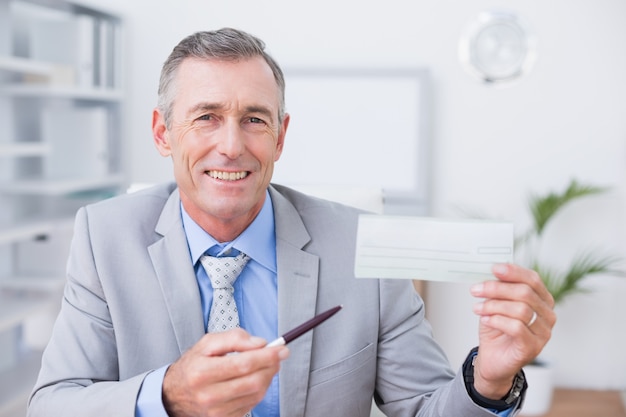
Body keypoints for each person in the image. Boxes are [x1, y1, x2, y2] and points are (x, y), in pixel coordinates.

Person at [27, 28, 556, 417]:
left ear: (279, 137)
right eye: (206, 116)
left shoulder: (359, 248)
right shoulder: (104, 237)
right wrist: (169, 395)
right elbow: (53, 405)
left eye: (254, 120)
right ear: (163, 134)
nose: (231, 146)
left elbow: (423, 408)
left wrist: (488, 378)